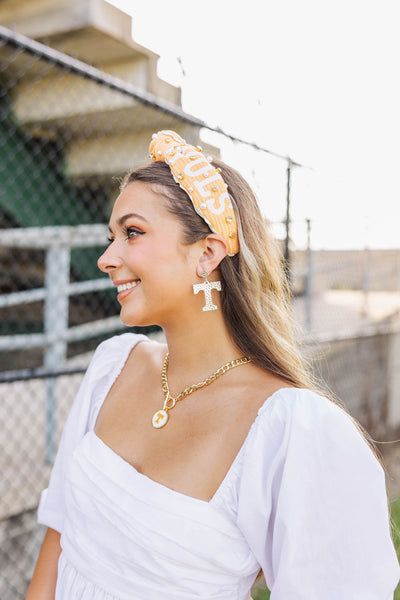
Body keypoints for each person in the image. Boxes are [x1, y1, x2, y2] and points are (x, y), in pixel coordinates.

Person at [26, 130, 399, 599]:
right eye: (111, 237)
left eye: (132, 233)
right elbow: (58, 541)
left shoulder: (293, 432)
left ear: (207, 253)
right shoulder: (112, 367)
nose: (106, 258)